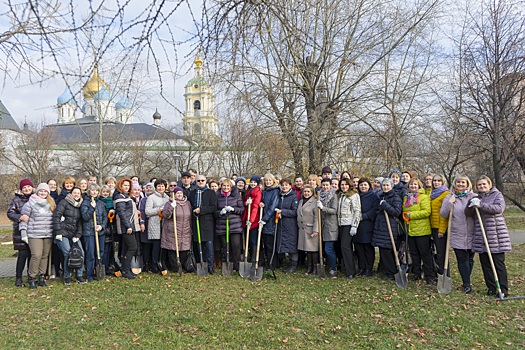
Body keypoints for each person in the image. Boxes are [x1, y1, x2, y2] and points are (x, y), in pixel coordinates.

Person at [466, 176, 512, 296]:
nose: (481, 186)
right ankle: (491, 287)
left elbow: (499, 209)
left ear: (489, 184)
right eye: (479, 185)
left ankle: (503, 289)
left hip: (496, 235)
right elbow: (468, 213)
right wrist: (470, 205)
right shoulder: (476, 197)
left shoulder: (497, 195)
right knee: (485, 264)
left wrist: (481, 205)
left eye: (483, 184)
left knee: (498, 264)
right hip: (481, 235)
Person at [440, 175, 476, 293]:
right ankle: (467, 284)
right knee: (462, 259)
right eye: (458, 182)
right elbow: (443, 214)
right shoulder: (449, 196)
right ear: (454, 184)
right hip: (457, 233)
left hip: (472, 233)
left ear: (467, 184)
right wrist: (449, 203)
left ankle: (466, 278)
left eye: (463, 182)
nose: (460, 184)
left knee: (470, 258)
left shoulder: (474, 197)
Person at [19, 183, 55, 289]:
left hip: (48, 233)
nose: (43, 193)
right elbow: (24, 220)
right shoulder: (30, 204)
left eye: (45, 191)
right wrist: (24, 233)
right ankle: (32, 277)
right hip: (34, 234)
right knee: (36, 255)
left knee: (45, 256)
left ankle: (41, 276)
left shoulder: (51, 203)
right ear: (37, 191)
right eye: (41, 191)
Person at [403, 178, 434, 284]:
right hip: (410, 229)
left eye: (415, 185)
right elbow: (404, 211)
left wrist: (411, 215)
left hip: (422, 230)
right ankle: (416, 273)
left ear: (419, 186)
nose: (413, 186)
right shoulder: (406, 198)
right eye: (411, 185)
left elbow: (426, 212)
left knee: (425, 253)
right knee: (414, 253)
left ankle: (429, 275)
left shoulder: (424, 197)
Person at [53, 186, 85, 285]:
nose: (76, 194)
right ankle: (67, 276)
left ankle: (79, 275)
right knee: (67, 253)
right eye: (74, 192)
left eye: (78, 193)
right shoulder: (64, 202)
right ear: (70, 194)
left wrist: (77, 235)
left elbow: (80, 222)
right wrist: (58, 232)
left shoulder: (80, 205)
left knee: (81, 253)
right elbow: (56, 216)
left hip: (73, 234)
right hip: (62, 233)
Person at [372, 178, 403, 281]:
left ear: (391, 186)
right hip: (381, 226)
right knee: (382, 249)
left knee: (387, 249)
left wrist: (385, 205)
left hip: (390, 226)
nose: (385, 187)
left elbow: (396, 212)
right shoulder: (380, 196)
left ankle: (391, 272)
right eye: (384, 185)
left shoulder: (395, 197)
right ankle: (385, 270)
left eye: (387, 185)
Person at [7, 178, 34, 287]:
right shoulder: (16, 200)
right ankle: (18, 278)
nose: (27, 189)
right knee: (23, 255)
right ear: (21, 189)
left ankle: (30, 275)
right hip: (21, 232)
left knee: (32, 255)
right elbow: (10, 213)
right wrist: (20, 217)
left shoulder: (36, 198)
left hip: (34, 230)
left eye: (29, 187)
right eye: (24, 187)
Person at [189, 174, 217, 274]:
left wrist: (201, 210)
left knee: (209, 244)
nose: (200, 182)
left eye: (202, 180)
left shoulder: (211, 193)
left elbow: (213, 207)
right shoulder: (192, 193)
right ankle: (200, 263)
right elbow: (190, 206)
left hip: (207, 222)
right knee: (198, 244)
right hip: (196, 220)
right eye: (198, 181)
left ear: (206, 182)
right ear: (195, 182)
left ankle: (210, 266)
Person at [113, 178, 141, 279]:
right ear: (120, 186)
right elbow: (122, 214)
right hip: (126, 226)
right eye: (124, 185)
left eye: (128, 186)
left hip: (131, 225)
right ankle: (125, 269)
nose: (127, 187)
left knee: (126, 248)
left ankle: (126, 268)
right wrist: (128, 226)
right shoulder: (119, 197)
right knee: (133, 247)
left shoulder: (127, 197)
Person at [161, 186, 193, 273]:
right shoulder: (169, 203)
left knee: (184, 249)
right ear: (174, 195)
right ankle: (175, 267)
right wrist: (171, 207)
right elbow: (165, 215)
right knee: (173, 249)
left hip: (185, 229)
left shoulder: (188, 204)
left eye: (180, 193)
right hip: (172, 230)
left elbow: (190, 217)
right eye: (177, 193)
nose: (179, 195)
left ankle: (181, 265)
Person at [80, 184, 108, 282]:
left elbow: (105, 217)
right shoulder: (85, 203)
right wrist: (92, 208)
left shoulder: (101, 203)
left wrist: (101, 226)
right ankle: (89, 275)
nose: (94, 192)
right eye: (92, 190)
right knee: (90, 254)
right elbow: (85, 217)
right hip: (89, 232)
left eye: (96, 190)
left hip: (100, 232)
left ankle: (99, 272)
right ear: (89, 191)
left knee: (100, 252)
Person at [215, 179, 244, 271]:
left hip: (235, 225)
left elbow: (241, 209)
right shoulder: (217, 197)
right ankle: (228, 264)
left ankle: (237, 265)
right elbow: (214, 212)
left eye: (228, 186)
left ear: (231, 187)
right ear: (221, 186)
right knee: (225, 245)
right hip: (222, 225)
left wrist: (233, 209)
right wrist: (221, 212)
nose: (226, 188)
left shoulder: (236, 196)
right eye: (224, 186)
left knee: (236, 245)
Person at [338, 178, 362, 279]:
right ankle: (346, 268)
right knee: (343, 246)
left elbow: (357, 211)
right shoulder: (341, 196)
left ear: (350, 186)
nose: (344, 186)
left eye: (346, 185)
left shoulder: (354, 195)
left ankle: (351, 271)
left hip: (349, 224)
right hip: (341, 224)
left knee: (345, 246)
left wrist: (354, 225)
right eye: (342, 185)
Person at [354, 178, 377, 277]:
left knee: (367, 248)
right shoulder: (356, 196)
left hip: (367, 224)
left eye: (365, 185)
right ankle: (361, 267)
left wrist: (364, 216)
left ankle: (369, 268)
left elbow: (375, 209)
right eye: (361, 185)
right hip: (357, 225)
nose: (363, 187)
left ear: (369, 186)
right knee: (359, 248)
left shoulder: (373, 196)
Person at [145, 179, 169, 273]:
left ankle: (162, 263)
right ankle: (154, 264)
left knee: (164, 245)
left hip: (165, 223)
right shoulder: (151, 198)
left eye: (162, 186)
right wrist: (159, 210)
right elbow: (148, 211)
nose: (161, 188)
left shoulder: (167, 197)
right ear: (156, 187)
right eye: (159, 186)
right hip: (155, 223)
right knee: (156, 245)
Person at [275, 178, 299, 274]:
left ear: (290, 186)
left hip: (290, 225)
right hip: (281, 224)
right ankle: (285, 263)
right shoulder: (280, 196)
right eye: (283, 185)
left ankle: (293, 265)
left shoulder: (293, 197)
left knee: (292, 246)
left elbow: (295, 211)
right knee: (283, 244)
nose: (284, 187)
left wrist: (282, 211)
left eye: (286, 185)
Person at [317, 178, 339, 278]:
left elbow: (334, 210)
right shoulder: (318, 195)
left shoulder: (334, 196)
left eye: (327, 185)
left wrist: (323, 208)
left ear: (330, 185)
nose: (325, 187)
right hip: (321, 226)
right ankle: (326, 266)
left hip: (330, 227)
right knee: (324, 249)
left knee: (328, 249)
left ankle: (333, 268)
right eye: (323, 185)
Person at [429, 174, 450, 275]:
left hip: (440, 228)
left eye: (438, 181)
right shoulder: (432, 194)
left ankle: (445, 274)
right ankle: (438, 272)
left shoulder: (445, 194)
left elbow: (444, 215)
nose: (436, 183)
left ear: (442, 182)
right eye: (434, 181)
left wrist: (442, 230)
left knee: (441, 253)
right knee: (436, 252)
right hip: (432, 226)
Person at [297, 185, 319, 275]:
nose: (306, 193)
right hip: (303, 228)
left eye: (308, 192)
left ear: (312, 192)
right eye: (305, 191)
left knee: (313, 250)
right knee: (307, 250)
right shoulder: (301, 201)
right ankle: (309, 267)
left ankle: (315, 268)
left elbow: (317, 217)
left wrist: (316, 229)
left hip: (311, 228)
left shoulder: (315, 202)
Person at [260, 173, 280, 271]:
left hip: (270, 222)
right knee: (266, 244)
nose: (268, 182)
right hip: (263, 221)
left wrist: (264, 219)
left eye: (270, 180)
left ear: (273, 181)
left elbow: (272, 208)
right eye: (266, 180)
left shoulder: (275, 192)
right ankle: (269, 263)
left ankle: (272, 264)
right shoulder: (264, 191)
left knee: (270, 245)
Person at [243, 176, 262, 263]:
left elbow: (255, 207)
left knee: (253, 239)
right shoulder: (248, 192)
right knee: (248, 239)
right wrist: (246, 203)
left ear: (257, 184)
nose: (253, 184)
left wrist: (251, 220)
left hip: (254, 219)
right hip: (246, 218)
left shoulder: (258, 193)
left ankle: (255, 258)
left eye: (255, 182)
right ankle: (248, 256)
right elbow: (244, 203)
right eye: (251, 182)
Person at [138, 182, 155, 272]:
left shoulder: (156, 198)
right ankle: (146, 263)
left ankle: (153, 263)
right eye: (147, 188)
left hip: (155, 223)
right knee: (146, 245)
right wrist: (142, 222)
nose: (148, 189)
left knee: (154, 245)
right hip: (146, 223)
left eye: (151, 188)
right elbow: (141, 212)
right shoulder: (143, 200)